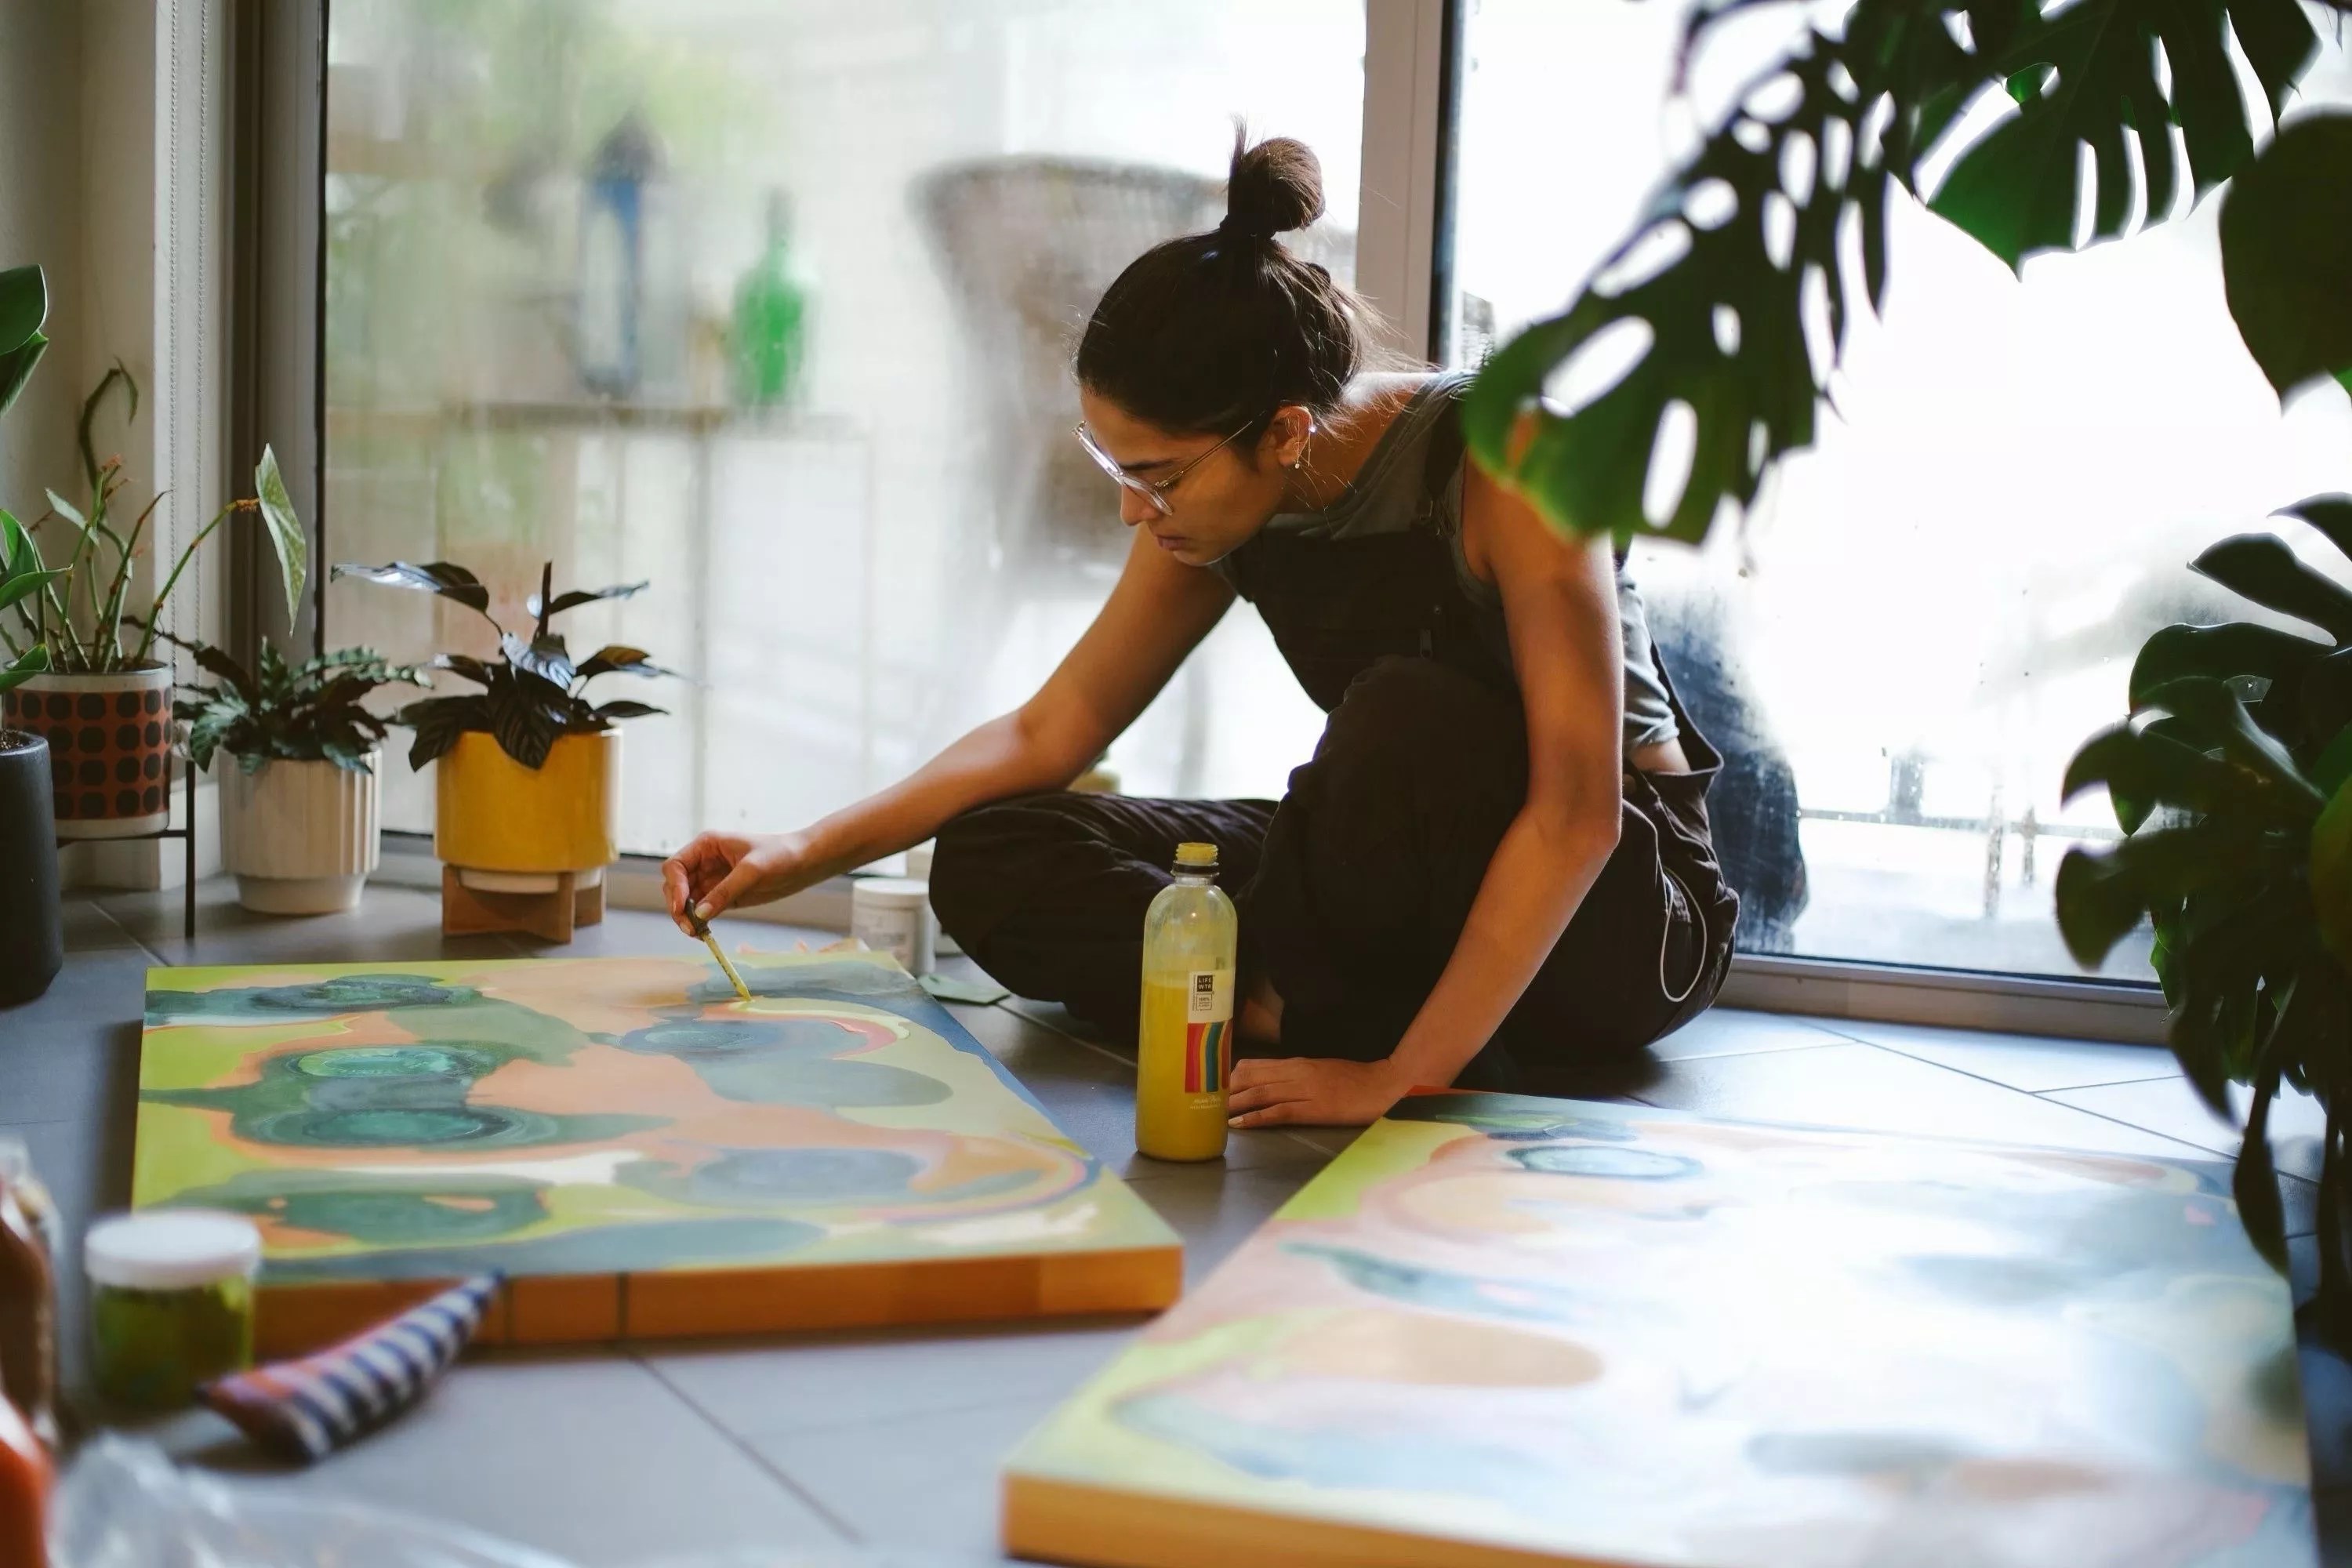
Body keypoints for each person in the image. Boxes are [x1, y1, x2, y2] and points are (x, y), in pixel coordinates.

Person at [665, 133, 1740, 1128]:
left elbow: (1577, 815)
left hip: (1618, 914)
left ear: (1282, 432)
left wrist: (1391, 1083)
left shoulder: (1513, 455)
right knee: (999, 845)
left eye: (1155, 476)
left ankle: (1356, 1028)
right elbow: (1053, 728)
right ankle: (1295, 1009)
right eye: (1112, 467)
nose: (1134, 510)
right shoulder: (1225, 504)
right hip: (1397, 879)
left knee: (1404, 712)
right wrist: (798, 849)